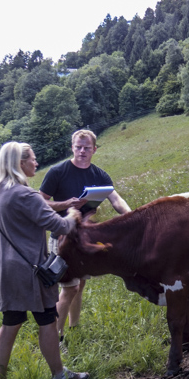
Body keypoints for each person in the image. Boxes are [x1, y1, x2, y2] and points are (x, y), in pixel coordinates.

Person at [0, 142, 89, 379]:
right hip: (28, 270)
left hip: (3, 270)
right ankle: (60, 377)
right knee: (47, 321)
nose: (36, 163)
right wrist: (72, 212)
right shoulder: (24, 194)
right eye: (33, 159)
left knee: (10, 323)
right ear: (20, 163)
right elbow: (60, 226)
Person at [39, 129, 131, 346]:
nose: (82, 151)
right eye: (78, 147)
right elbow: (40, 201)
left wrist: (133, 218)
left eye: (86, 148)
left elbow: (116, 199)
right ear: (72, 148)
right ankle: (57, 337)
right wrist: (65, 205)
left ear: (94, 150)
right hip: (62, 238)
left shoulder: (99, 175)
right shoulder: (57, 172)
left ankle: (74, 327)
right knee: (69, 287)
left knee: (80, 284)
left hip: (84, 240)